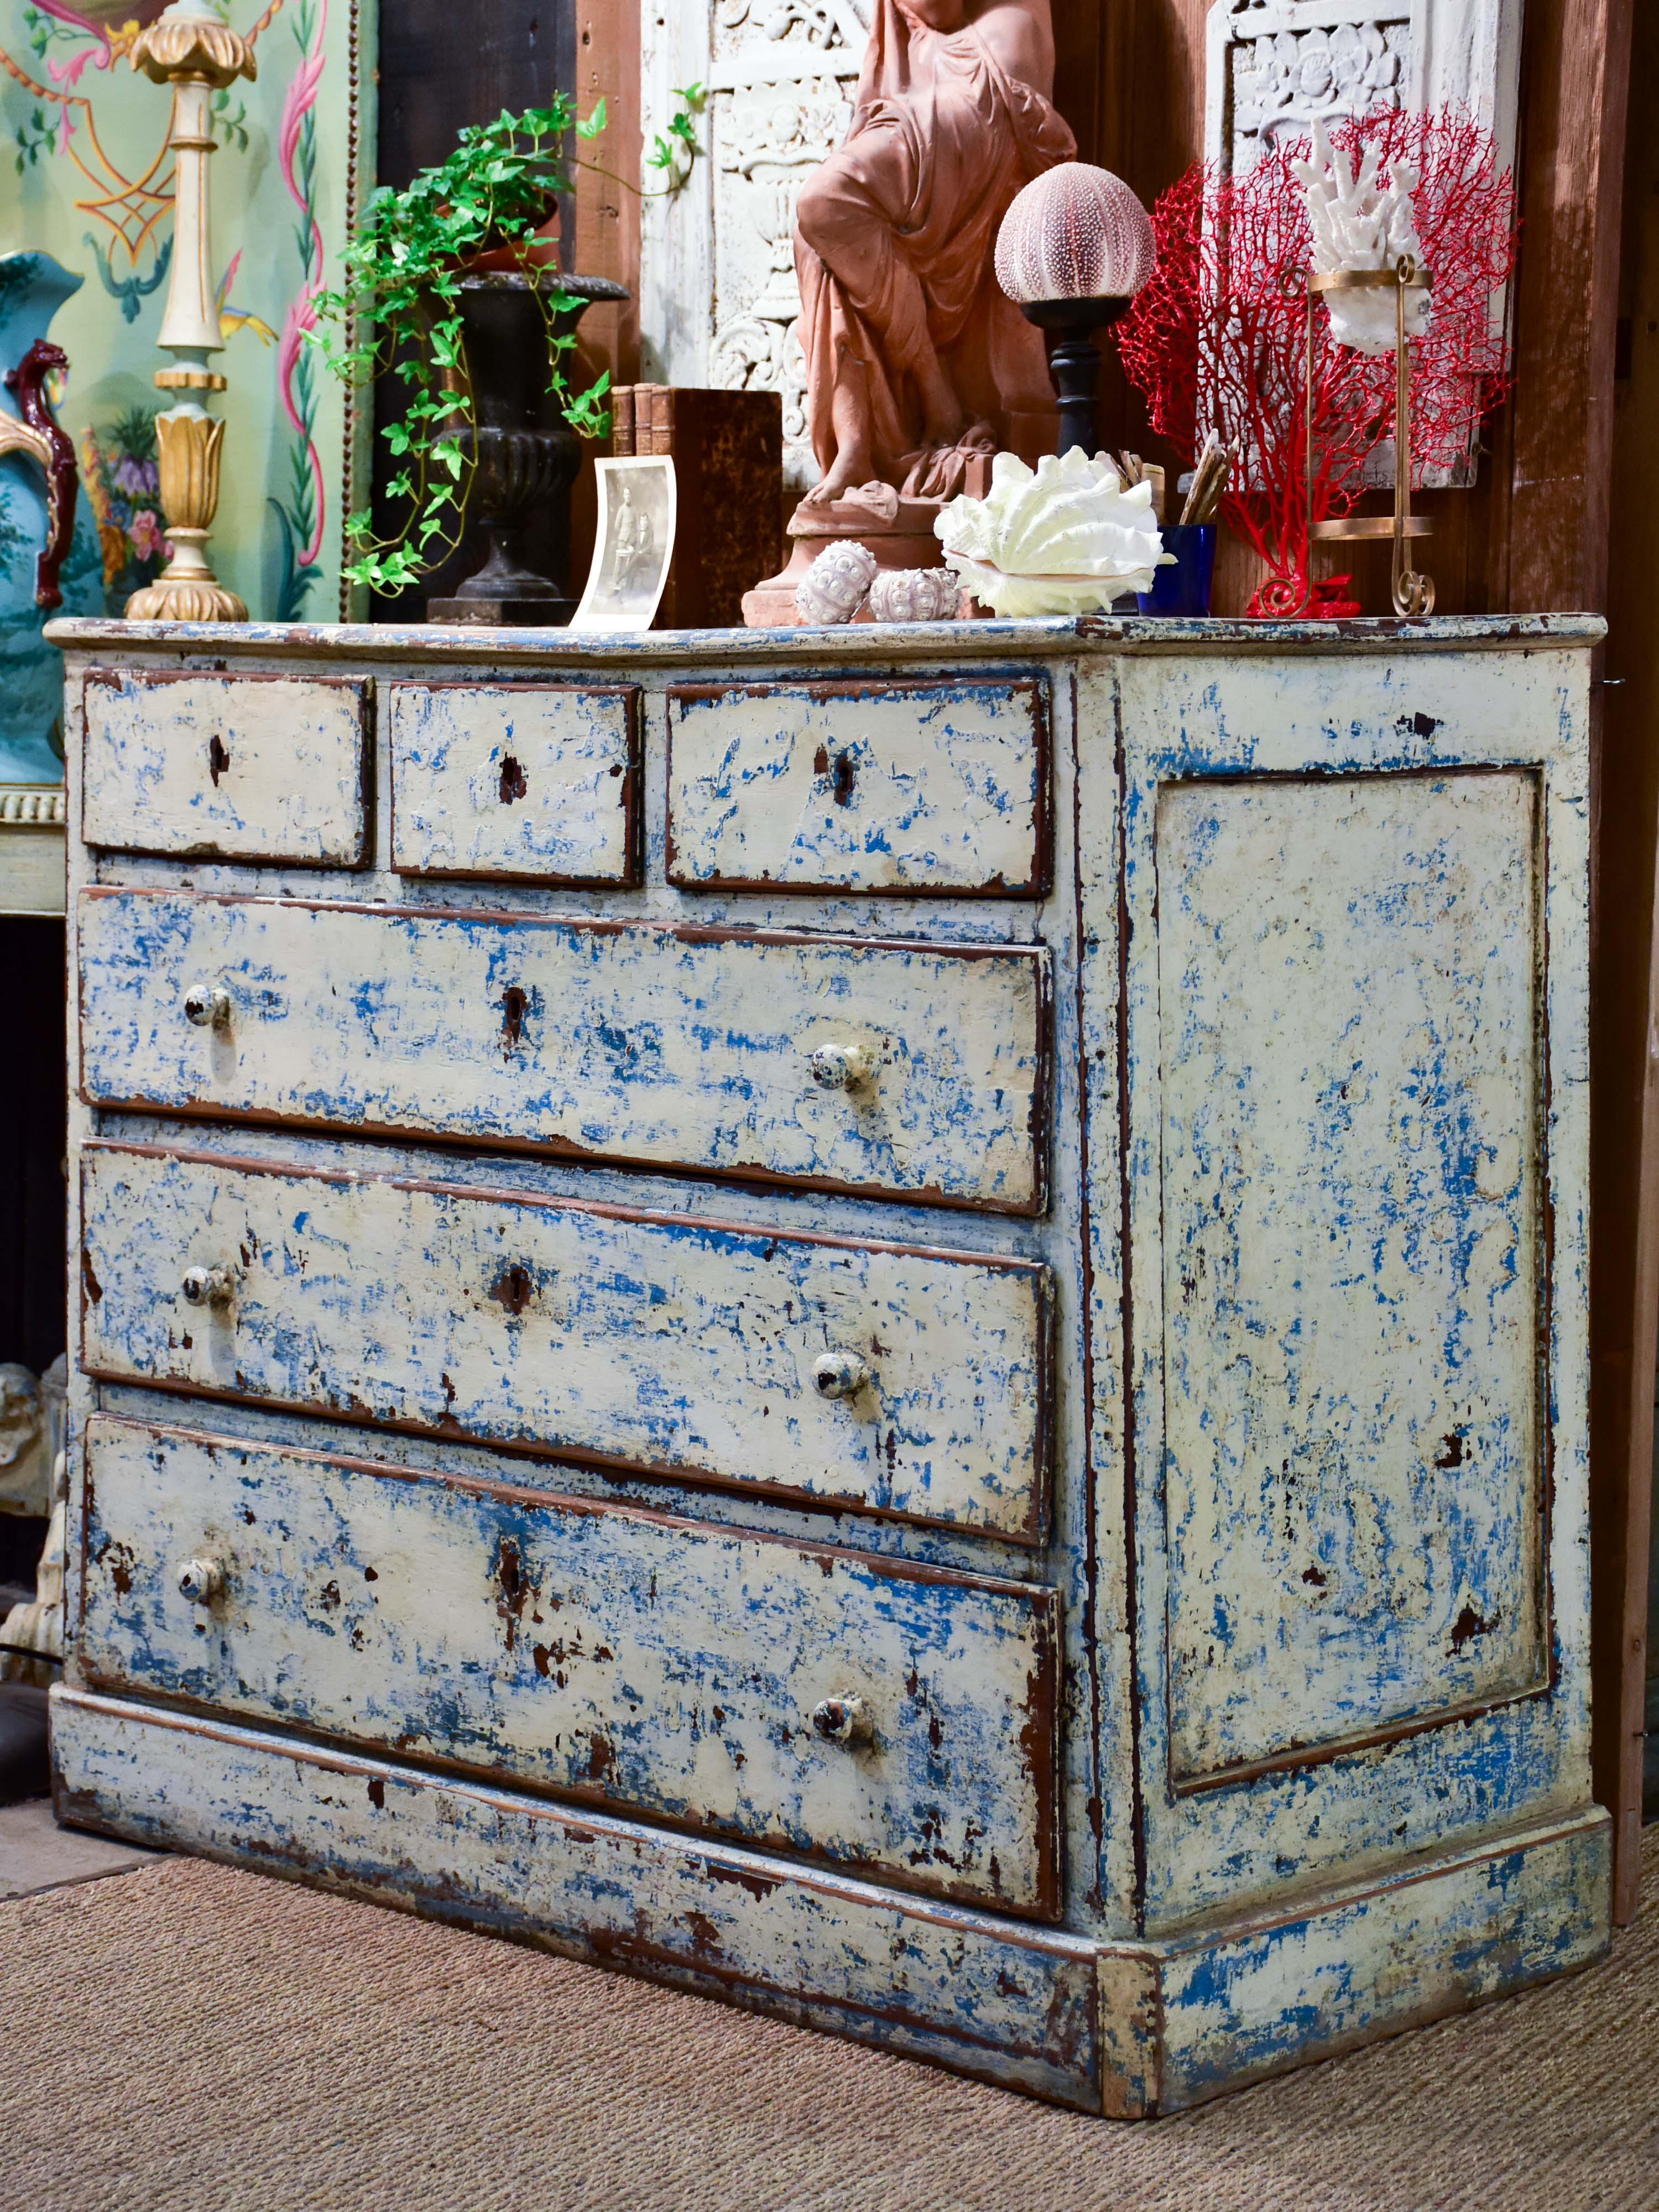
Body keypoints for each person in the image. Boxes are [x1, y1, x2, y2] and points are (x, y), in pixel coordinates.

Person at [793, 0, 1074, 505]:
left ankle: (936, 394)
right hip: (929, 72)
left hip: (988, 78)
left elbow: (939, 6)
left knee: (826, 204)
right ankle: (855, 446)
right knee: (817, 241)